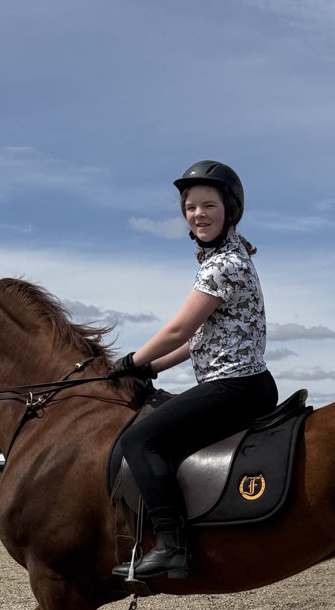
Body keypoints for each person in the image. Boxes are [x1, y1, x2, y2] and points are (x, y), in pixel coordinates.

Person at [108, 160, 277, 580]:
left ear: (230, 209)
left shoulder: (222, 265)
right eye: (190, 207)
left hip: (235, 386)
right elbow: (198, 340)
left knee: (140, 440)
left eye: (208, 205)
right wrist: (154, 369)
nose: (198, 214)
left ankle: (171, 545)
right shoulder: (225, 257)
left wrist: (132, 361)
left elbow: (180, 328)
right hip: (243, 382)